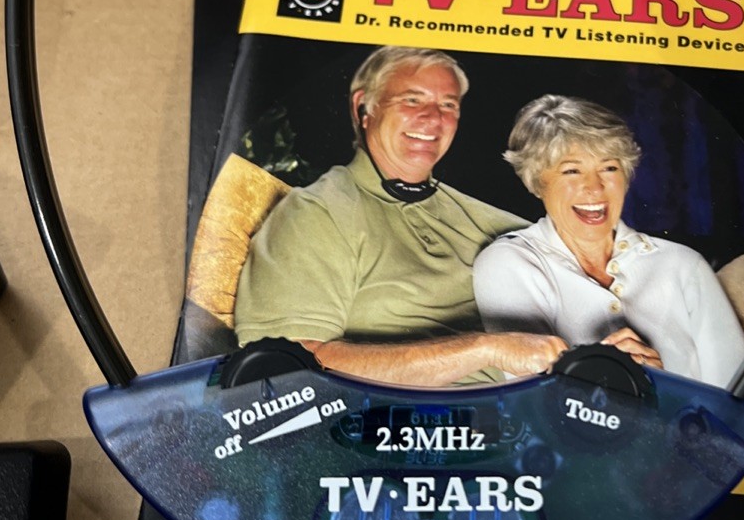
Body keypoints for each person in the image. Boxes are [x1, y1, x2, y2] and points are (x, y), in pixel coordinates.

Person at [233, 47, 566, 386]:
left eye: (448, 105)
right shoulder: (318, 213)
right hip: (405, 415)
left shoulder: (488, 220)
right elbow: (285, 368)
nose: (433, 118)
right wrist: (486, 350)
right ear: (364, 107)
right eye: (412, 100)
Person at [473, 95, 744, 387]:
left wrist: (661, 386)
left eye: (609, 168)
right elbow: (534, 399)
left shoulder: (684, 265)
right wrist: (646, 386)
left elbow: (736, 398)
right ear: (537, 182)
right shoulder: (509, 264)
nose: (594, 188)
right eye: (572, 170)